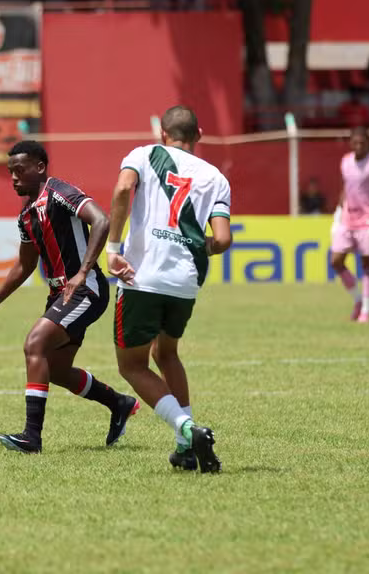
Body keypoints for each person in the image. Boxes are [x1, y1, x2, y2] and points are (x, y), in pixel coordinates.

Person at [0, 140, 138, 454]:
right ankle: (119, 403)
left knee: (34, 344)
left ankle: (32, 437)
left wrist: (83, 272)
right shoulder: (26, 216)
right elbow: (25, 264)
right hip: (61, 293)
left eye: (20, 170)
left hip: (86, 290)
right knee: (56, 369)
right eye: (10, 172)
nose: (14, 178)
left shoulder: (60, 193)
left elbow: (101, 220)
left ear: (40, 167)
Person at [106, 105, 231, 473]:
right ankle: (185, 448)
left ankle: (187, 429)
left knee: (131, 366)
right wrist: (197, 245)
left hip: (142, 274)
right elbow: (222, 239)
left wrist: (113, 249)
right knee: (167, 353)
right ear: (199, 136)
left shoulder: (144, 155)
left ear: (163, 133)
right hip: (185, 279)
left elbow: (123, 188)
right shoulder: (216, 177)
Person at [330, 128, 369, 324]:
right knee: (336, 261)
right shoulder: (346, 161)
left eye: (362, 143)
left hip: (368, 221)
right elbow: (345, 188)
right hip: (348, 219)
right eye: (355, 143)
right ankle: (357, 299)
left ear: (368, 143)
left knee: (367, 265)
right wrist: (338, 214)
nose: (358, 146)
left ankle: (366, 310)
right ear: (351, 143)